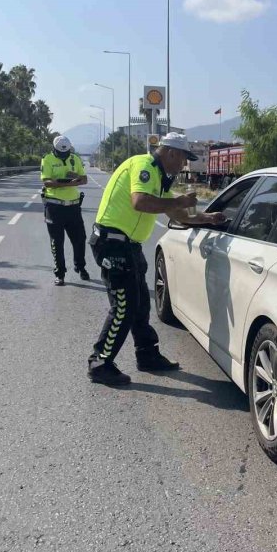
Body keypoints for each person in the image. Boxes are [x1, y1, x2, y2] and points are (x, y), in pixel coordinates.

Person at [87, 132, 226, 385]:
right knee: (123, 307)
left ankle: (147, 354)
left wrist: (208, 218)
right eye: (184, 158)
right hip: (113, 244)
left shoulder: (161, 178)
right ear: (171, 152)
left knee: (140, 305)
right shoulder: (145, 166)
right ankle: (100, 362)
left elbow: (177, 214)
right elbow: (140, 202)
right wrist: (179, 200)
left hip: (129, 247)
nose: (184, 164)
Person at [41, 135, 89, 286]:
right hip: (54, 207)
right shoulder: (47, 159)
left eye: (66, 153)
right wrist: (64, 184)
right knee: (57, 242)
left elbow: (84, 179)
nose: (64, 155)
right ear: (54, 149)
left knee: (80, 240)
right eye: (61, 153)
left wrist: (74, 177)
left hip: (73, 207)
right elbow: (46, 182)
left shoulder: (75, 158)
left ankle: (80, 267)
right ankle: (60, 274)